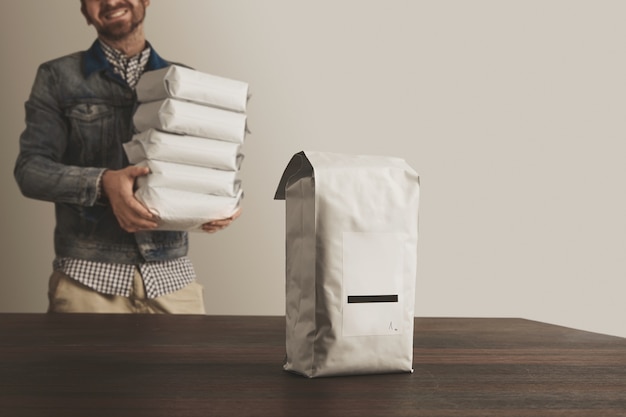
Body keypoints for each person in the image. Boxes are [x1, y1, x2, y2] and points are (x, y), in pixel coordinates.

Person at [14, 0, 240, 314]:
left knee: (190, 366)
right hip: (86, 283)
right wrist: (103, 182)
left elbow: (206, 164)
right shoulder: (56, 76)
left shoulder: (185, 79)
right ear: (83, 11)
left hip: (172, 281)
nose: (109, 1)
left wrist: (218, 202)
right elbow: (30, 170)